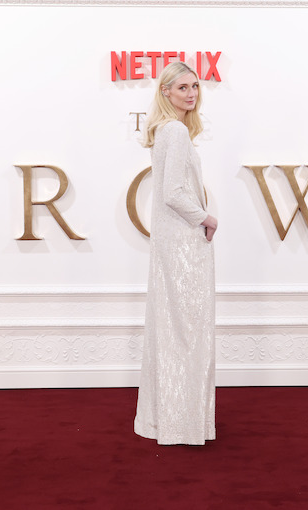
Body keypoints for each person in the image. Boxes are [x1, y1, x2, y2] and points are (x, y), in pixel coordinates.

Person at [133, 62, 218, 445]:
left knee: (173, 330)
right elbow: (172, 193)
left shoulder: (166, 131)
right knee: (187, 332)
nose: (191, 93)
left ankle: (164, 420)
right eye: (182, 87)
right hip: (184, 243)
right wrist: (206, 217)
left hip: (171, 242)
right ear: (165, 91)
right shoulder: (176, 131)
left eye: (195, 87)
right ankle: (183, 422)